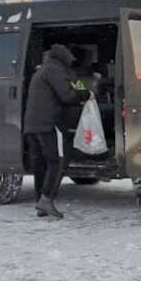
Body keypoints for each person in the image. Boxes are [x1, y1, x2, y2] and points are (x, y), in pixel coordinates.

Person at [23, 44, 91, 219]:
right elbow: (67, 95)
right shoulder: (55, 70)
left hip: (32, 125)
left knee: (41, 164)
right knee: (57, 162)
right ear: (64, 59)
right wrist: (86, 94)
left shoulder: (43, 70)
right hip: (48, 125)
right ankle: (46, 199)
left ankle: (40, 202)